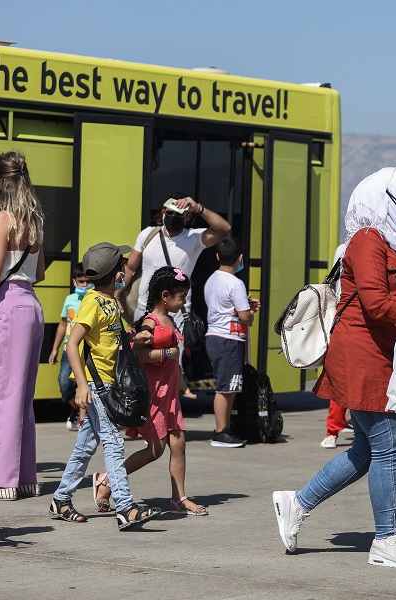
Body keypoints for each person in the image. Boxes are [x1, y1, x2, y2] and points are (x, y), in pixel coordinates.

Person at [271, 166, 396, 569]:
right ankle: (386, 539)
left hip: (385, 354)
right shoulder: (367, 241)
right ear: (390, 200)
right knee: (390, 442)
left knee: (365, 449)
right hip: (359, 353)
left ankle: (297, 502)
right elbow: (376, 303)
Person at [50, 242, 161, 529]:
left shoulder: (110, 302)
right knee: (113, 443)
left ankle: (61, 498)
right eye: (124, 263)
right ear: (115, 273)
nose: (128, 267)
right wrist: (82, 386)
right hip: (97, 386)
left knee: (86, 446)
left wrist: (134, 338)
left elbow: (110, 339)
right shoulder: (92, 302)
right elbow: (73, 345)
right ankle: (125, 506)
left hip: (109, 384)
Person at [93, 266, 208, 516]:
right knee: (156, 449)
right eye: (181, 296)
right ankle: (107, 481)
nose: (184, 301)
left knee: (179, 444)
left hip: (169, 394)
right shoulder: (150, 322)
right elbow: (140, 354)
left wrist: (182, 383)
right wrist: (169, 353)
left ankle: (179, 498)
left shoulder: (170, 319)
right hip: (153, 393)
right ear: (165, 296)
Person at [0, 151, 46, 501]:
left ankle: (4, 481)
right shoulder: (33, 218)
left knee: (3, 396)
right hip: (32, 307)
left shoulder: (3, 218)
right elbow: (40, 273)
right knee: (23, 399)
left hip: (8, 307)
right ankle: (25, 478)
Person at [123, 193, 231, 397]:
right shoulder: (148, 235)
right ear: (163, 212)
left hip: (176, 315)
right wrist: (115, 295)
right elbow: (130, 267)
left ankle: (167, 412)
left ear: (188, 217)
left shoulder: (194, 238)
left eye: (179, 214)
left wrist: (198, 208)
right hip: (144, 311)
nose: (173, 217)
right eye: (170, 212)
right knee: (138, 361)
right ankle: (139, 414)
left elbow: (224, 229)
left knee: (170, 366)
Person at [204, 236, 259, 448]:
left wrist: (245, 306)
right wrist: (251, 313)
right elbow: (245, 318)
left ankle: (225, 428)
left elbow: (225, 309)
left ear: (218, 256)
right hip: (229, 338)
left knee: (229, 386)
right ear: (240, 258)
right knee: (226, 387)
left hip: (215, 336)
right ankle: (220, 432)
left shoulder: (212, 280)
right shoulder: (236, 283)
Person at [48, 263, 91, 431]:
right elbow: (62, 325)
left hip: (88, 350)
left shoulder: (94, 299)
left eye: (88, 281)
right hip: (69, 350)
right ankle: (75, 409)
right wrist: (54, 348)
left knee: (85, 384)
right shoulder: (70, 300)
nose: (85, 285)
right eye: (81, 281)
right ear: (75, 282)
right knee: (65, 385)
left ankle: (83, 421)